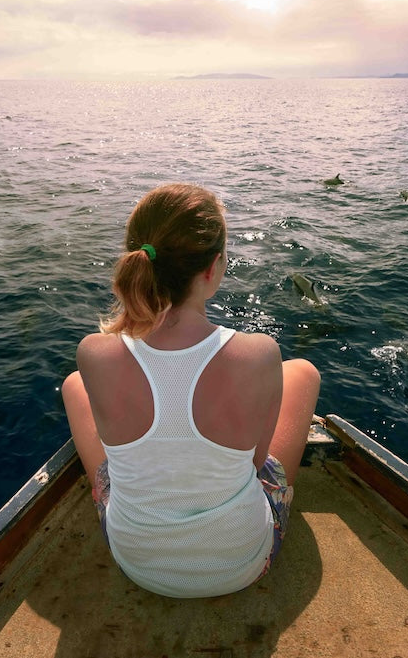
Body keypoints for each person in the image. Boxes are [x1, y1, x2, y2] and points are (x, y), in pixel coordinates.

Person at [62, 183, 321, 598]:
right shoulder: (259, 354)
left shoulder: (93, 353)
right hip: (244, 562)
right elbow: (256, 467)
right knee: (303, 372)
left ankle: (107, 487)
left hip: (135, 563)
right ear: (213, 267)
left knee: (74, 385)